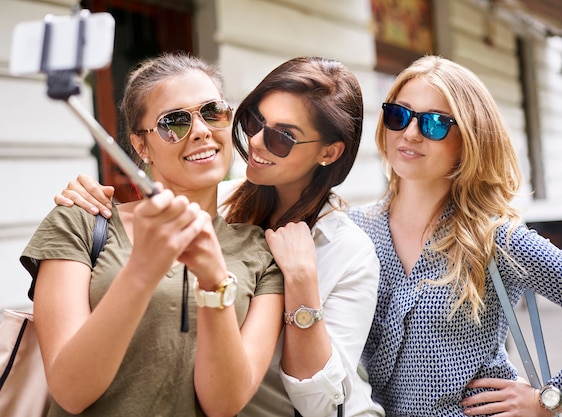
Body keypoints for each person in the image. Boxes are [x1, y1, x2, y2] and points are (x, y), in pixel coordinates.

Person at [54, 57, 385, 417]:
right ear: (140, 144)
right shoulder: (217, 198)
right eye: (254, 121)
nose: (256, 141)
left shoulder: (345, 251)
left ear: (328, 152)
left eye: (281, 137)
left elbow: (320, 403)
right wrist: (88, 200)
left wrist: (302, 280)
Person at [20, 52, 285, 417]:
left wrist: (214, 285)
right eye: (173, 122)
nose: (202, 130)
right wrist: (142, 268)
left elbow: (223, 404)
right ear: (141, 145)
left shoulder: (258, 250)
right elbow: (70, 391)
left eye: (213, 111)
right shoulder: (81, 221)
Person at [348, 55, 562, 416]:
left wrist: (551, 399)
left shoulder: (494, 238)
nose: (410, 133)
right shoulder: (353, 231)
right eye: (399, 115)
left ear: (470, 138)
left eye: (434, 123)